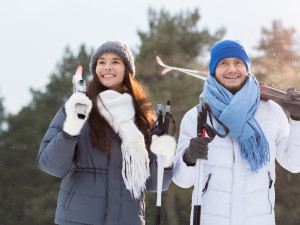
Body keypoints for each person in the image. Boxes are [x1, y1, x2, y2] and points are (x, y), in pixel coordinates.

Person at [36, 41, 176, 225]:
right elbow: (50, 165)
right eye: (101, 62)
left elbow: (153, 185)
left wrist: (165, 160)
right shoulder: (78, 108)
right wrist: (70, 130)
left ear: (127, 69)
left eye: (115, 61)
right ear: (95, 69)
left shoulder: (142, 117)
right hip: (79, 218)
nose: (107, 67)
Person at [173, 39, 300, 225]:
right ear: (213, 70)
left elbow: (294, 163)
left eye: (238, 62)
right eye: (223, 63)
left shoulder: (272, 112)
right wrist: (189, 157)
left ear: (247, 68)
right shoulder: (198, 116)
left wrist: (297, 120)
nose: (232, 69)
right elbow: (182, 181)